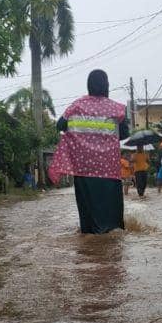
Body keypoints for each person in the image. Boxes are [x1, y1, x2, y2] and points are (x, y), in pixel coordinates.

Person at [48, 69, 129, 234]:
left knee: (88, 219)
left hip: (84, 169)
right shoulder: (117, 109)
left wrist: (82, 134)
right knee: (112, 221)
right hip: (109, 170)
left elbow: (60, 126)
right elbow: (125, 133)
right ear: (106, 85)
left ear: (89, 85)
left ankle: (89, 250)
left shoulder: (78, 106)